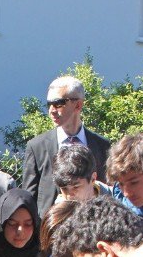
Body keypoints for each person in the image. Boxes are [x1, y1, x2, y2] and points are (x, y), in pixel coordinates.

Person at [22, 75, 110, 215]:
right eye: (49, 104)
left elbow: (108, 192)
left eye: (58, 103)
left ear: (78, 105)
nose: (51, 110)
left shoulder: (102, 146)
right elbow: (28, 198)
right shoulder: (37, 146)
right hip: (52, 231)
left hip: (92, 228)